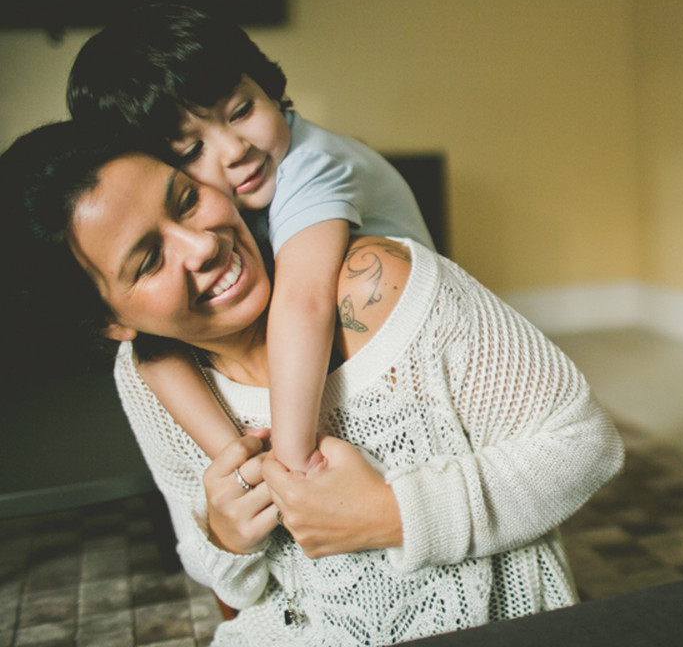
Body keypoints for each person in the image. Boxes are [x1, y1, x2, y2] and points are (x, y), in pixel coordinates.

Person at [0, 121, 624, 644]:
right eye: (149, 260)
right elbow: (232, 587)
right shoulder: (149, 380)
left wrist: (392, 515)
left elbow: (584, 443)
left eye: (186, 199)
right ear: (112, 322)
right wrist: (224, 536)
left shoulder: (380, 284)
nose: (202, 245)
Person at [67, 4, 435, 472]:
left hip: (407, 346)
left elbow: (303, 303)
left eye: (241, 111)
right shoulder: (224, 200)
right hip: (334, 342)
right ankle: (238, 466)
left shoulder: (310, 168)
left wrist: (292, 460)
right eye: (193, 149)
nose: (236, 149)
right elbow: (154, 354)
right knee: (151, 346)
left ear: (268, 86)